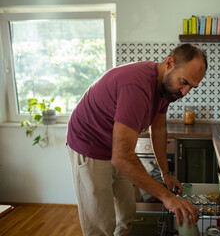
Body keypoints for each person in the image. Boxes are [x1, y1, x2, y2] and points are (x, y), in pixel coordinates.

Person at [66, 43, 208, 236]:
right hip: (89, 145)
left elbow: (158, 129)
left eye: (191, 86)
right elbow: (122, 157)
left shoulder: (166, 89)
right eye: (183, 82)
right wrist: (168, 198)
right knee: (101, 224)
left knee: (126, 213)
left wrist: (165, 173)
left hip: (115, 148)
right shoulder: (137, 86)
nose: (184, 92)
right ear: (170, 63)